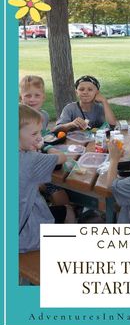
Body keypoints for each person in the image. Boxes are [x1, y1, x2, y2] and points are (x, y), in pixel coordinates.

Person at [19, 105, 76, 253]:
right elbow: (62, 158)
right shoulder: (31, 159)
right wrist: (46, 147)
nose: (39, 137)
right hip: (25, 236)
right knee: (67, 211)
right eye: (34, 134)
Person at [19, 75, 71, 207]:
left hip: (39, 158)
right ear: (21, 97)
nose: (32, 99)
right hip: (29, 167)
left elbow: (42, 137)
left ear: (43, 97)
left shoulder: (44, 116)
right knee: (60, 196)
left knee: (64, 188)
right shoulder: (19, 118)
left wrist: (46, 144)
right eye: (28, 95)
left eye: (37, 95)